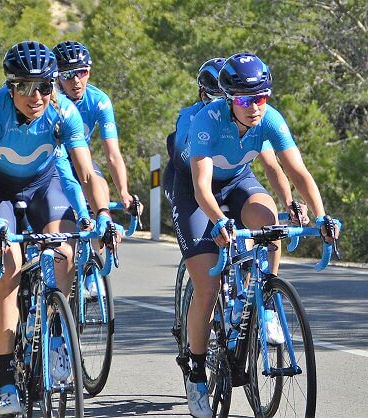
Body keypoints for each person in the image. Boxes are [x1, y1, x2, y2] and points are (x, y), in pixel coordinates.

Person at [172, 52, 338, 418]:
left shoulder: (270, 119)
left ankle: (266, 296)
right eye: (246, 100)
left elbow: (295, 171)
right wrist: (218, 221)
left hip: (235, 181)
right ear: (230, 99)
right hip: (194, 191)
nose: (255, 106)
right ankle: (197, 371)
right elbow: (201, 187)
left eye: (261, 97)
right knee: (208, 286)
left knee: (268, 223)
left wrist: (319, 214)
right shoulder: (206, 119)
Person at [0, 41, 114, 415]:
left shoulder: (63, 111)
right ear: (10, 87)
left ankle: (55, 335)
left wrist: (102, 212)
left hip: (43, 184)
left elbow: (86, 171)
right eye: (24, 87)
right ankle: (3, 377)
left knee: (64, 251)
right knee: (12, 266)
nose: (36, 96)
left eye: (45, 86)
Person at [164, 57, 308, 224]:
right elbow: (193, 169)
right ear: (203, 95)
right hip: (188, 179)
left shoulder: (248, 119)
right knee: (207, 237)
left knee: (260, 226)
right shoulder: (192, 118)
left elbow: (272, 166)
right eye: (217, 98)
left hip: (232, 181)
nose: (222, 104)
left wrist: (289, 202)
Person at [52, 40, 136, 211]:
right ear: (56, 77)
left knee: (102, 191)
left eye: (81, 72)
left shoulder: (99, 101)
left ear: (89, 72)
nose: (75, 81)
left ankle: (101, 236)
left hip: (80, 159)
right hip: (49, 161)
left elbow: (112, 154)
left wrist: (124, 193)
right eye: (67, 74)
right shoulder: (47, 101)